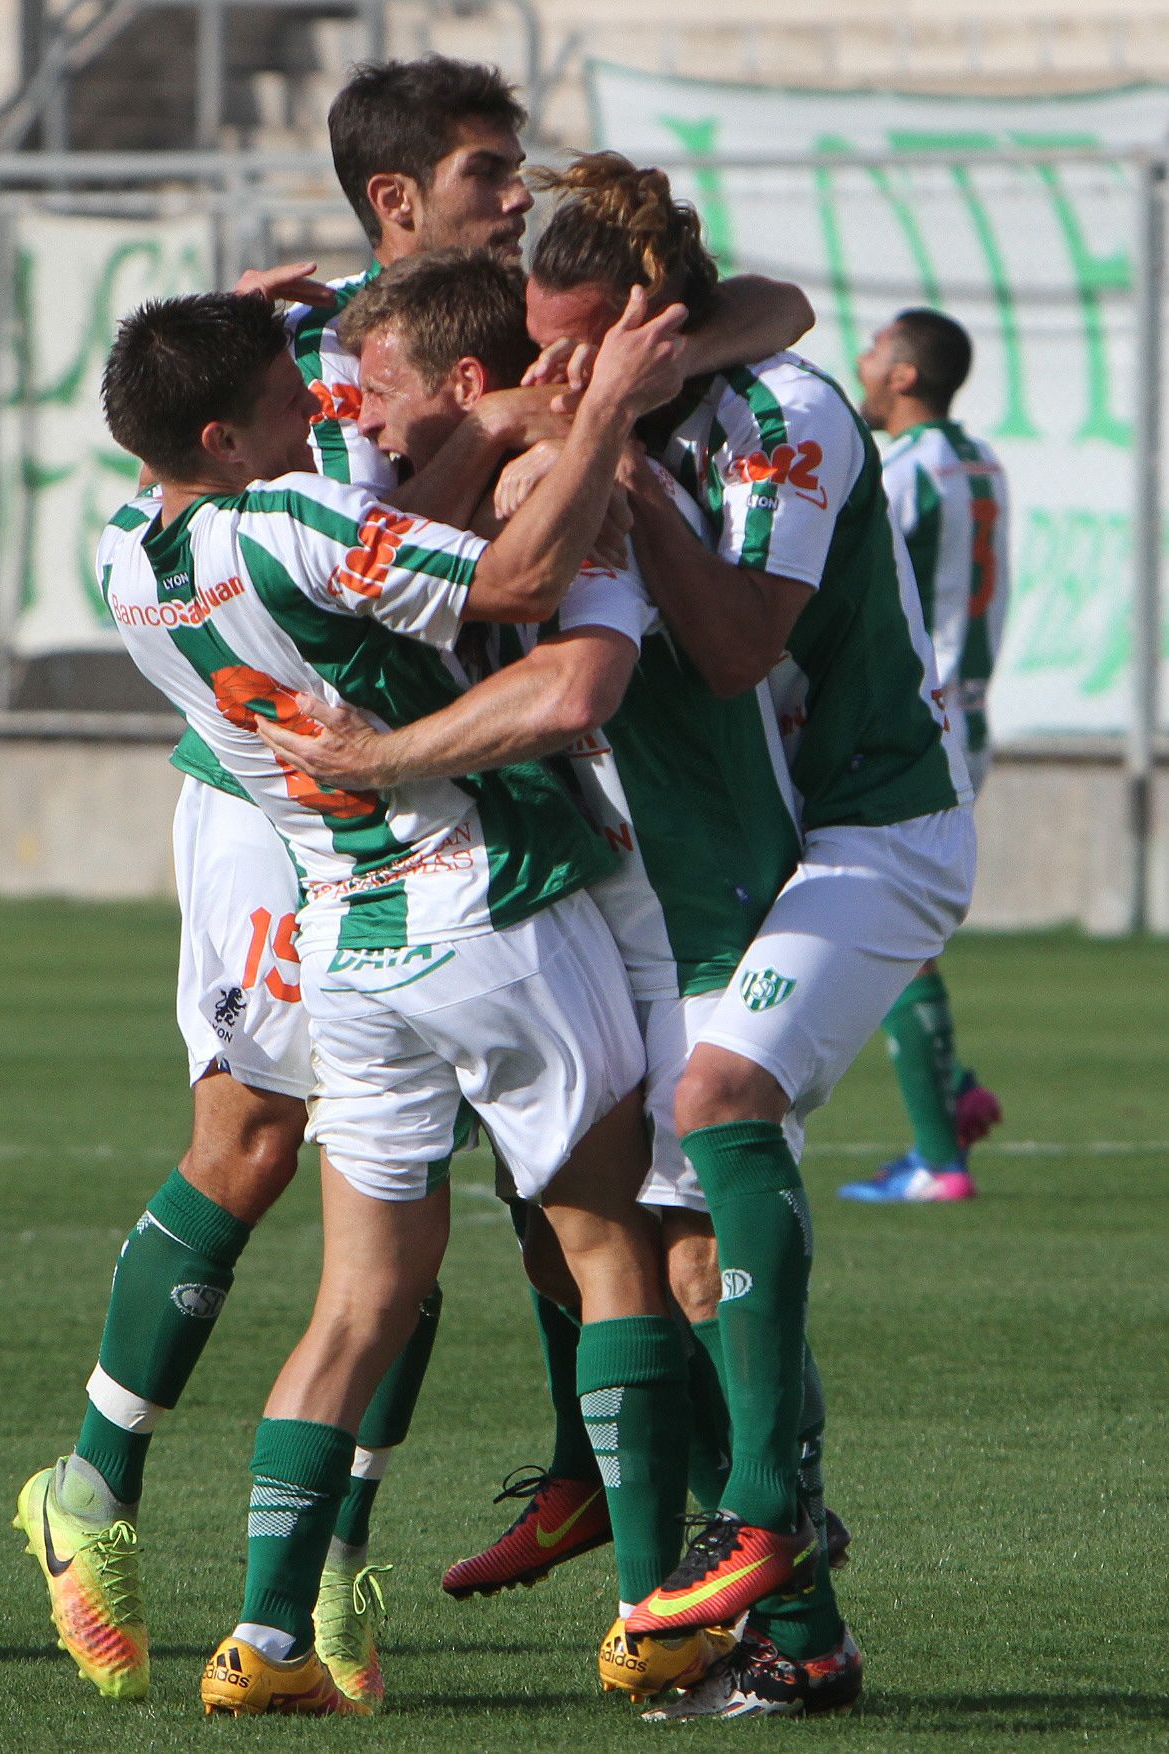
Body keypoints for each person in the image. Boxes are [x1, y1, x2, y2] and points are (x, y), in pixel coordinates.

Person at [95, 281, 716, 1719]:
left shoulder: (127, 557)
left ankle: (264, 1643)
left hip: (345, 942)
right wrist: (606, 411)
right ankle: (652, 1621)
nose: (324, 419)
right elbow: (513, 582)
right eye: (286, 404)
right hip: (485, 903)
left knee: (356, 1302)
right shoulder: (292, 520)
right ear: (224, 439)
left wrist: (484, 424)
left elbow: (344, 552)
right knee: (608, 1246)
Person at [252, 246, 819, 1702]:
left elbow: (577, 680)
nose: (361, 422)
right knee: (598, 1248)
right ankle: (655, 1584)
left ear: (462, 377)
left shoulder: (536, 491)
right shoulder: (428, 475)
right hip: (510, 905)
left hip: (582, 905)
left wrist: (584, 407)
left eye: (381, 395)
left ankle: (752, 1588)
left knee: (635, 1252)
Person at [516, 152, 977, 1720]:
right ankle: (803, 1639)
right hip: (720, 864)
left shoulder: (791, 418)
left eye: (583, 347)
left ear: (655, 323)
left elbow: (730, 651)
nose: (556, 377)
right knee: (685, 1244)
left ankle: (770, 1506)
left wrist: (625, 469)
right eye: (543, 350)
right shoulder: (623, 402)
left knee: (720, 1102)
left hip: (878, 827)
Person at [839, 308, 1009, 1202]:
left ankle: (940, 1158)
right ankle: (953, 1089)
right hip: (970, 713)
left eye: (874, 351)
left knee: (889, 928)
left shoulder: (899, 471)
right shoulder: (981, 463)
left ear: (904, 375)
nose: (861, 362)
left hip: (914, 723)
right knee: (898, 926)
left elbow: (854, 586)